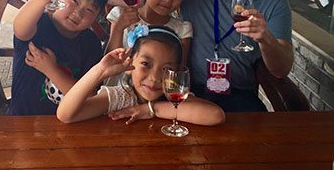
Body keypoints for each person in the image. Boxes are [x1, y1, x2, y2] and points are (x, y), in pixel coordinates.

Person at [57, 25, 224, 125]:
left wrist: (150, 109)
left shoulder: (173, 97)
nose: (154, 77)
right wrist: (99, 71)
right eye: (146, 64)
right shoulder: (120, 97)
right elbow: (65, 115)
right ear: (129, 64)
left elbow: (215, 115)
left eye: (166, 69)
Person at [10, 0, 109, 115]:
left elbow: (89, 98)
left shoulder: (90, 43)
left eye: (89, 10)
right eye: (74, 1)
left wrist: (51, 69)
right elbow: (20, 29)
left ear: (97, 16)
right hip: (23, 121)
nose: (78, 13)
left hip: (68, 124)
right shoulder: (39, 24)